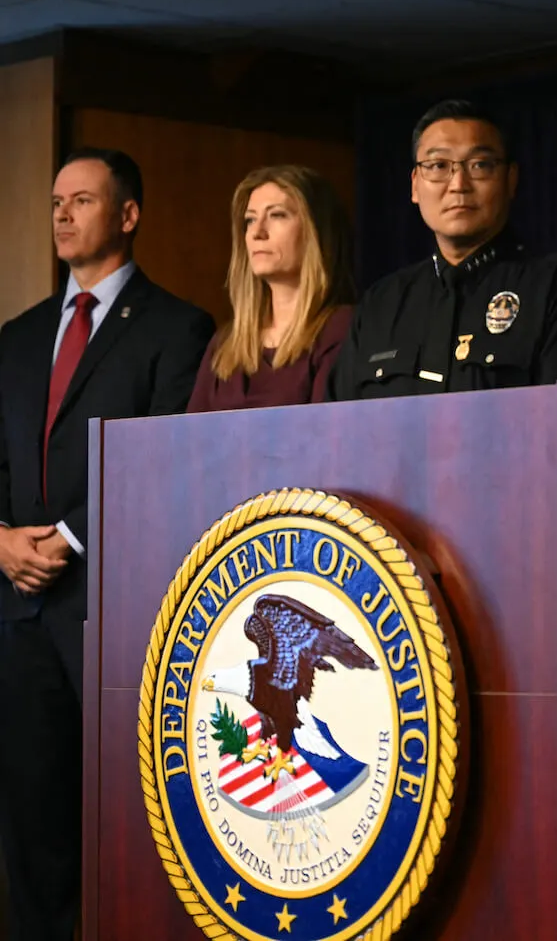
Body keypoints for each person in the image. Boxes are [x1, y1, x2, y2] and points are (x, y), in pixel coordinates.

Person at [0, 147, 213, 940]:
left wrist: (69, 538)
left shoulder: (177, 326)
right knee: (33, 824)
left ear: (127, 215)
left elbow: (162, 454)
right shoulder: (17, 338)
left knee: (128, 819)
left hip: (113, 609)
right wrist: (0, 542)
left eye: (81, 200)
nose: (61, 214)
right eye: (56, 200)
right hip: (18, 613)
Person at [327, 99, 557, 399]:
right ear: (415, 185)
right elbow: (337, 429)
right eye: (438, 166)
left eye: (479, 165)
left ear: (510, 180)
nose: (458, 184)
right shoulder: (381, 303)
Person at [188, 164, 355, 411]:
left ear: (315, 230)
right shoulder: (225, 343)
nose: (257, 232)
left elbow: (327, 439)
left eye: (276, 215)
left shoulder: (341, 328)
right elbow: (188, 440)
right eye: (250, 220)